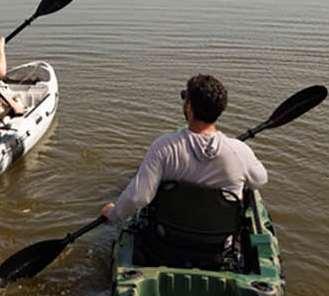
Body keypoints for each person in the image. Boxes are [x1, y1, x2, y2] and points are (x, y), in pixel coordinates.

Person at [98, 73, 266, 226]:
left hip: (166, 240)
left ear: (189, 108)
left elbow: (137, 198)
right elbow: (259, 180)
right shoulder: (241, 151)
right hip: (218, 246)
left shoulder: (163, 147)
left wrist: (113, 214)